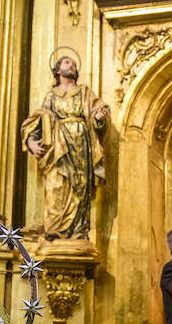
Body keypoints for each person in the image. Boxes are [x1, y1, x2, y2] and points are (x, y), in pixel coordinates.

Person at [21, 52, 109, 240]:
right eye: (67, 63)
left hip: (82, 144)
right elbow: (38, 119)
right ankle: (54, 227)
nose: (72, 66)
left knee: (80, 186)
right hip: (57, 147)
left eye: (74, 64)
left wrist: (99, 118)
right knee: (56, 185)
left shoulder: (85, 91)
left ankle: (78, 230)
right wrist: (31, 142)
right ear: (58, 70)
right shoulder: (52, 96)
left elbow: (97, 113)